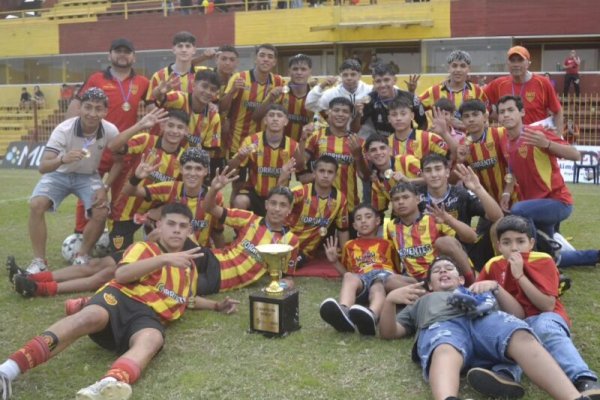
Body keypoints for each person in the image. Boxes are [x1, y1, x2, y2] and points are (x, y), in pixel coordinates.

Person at [0, 203, 240, 400]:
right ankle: (7, 371)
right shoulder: (144, 248)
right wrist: (164, 259)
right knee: (87, 317)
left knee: (153, 339)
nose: (176, 230)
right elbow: (122, 275)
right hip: (120, 300)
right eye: (171, 224)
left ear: (190, 232)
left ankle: (108, 384)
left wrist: (217, 306)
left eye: (183, 226)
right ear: (159, 226)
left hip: (146, 318)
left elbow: (187, 299)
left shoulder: (188, 270)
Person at [378, 256, 600, 400]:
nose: (444, 271)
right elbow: (390, 332)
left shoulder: (480, 290)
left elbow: (518, 315)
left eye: (449, 268)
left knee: (520, 333)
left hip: (485, 322)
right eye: (437, 271)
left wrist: (496, 288)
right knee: (444, 348)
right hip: (444, 326)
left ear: (461, 280)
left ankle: (573, 397)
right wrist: (390, 301)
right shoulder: (422, 300)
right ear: (429, 284)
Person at [26, 90, 166, 273]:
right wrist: (62, 159)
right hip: (59, 173)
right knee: (36, 204)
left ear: (105, 112)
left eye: (98, 109)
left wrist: (105, 187)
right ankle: (39, 261)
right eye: (88, 107)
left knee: (101, 211)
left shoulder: (109, 129)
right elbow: (43, 167)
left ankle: (81, 255)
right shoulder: (63, 129)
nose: (92, 113)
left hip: (88, 176)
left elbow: (118, 162)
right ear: (80, 108)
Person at [474, 215, 600, 397]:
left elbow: (547, 305)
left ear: (531, 243)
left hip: (545, 316)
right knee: (509, 335)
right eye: (507, 243)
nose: (514, 248)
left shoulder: (542, 260)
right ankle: (505, 376)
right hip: (513, 321)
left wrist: (520, 276)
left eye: (520, 241)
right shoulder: (493, 265)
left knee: (543, 328)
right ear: (499, 246)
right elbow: (478, 293)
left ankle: (584, 379)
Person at [66, 38, 150, 236]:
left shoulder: (143, 82)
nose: (122, 55)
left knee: (121, 195)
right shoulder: (96, 79)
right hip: (96, 147)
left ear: (134, 57)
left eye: (126, 52)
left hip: (125, 150)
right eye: (118, 51)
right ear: (109, 55)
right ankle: (80, 233)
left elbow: (155, 106)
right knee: (88, 192)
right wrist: (72, 134)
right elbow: (77, 103)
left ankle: (115, 235)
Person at [203, 168, 300, 291]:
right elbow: (209, 208)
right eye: (273, 203)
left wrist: (277, 287)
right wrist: (214, 189)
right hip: (212, 257)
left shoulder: (291, 241)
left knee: (187, 285)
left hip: (222, 278)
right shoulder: (248, 218)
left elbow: (288, 278)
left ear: (289, 210)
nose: (276, 209)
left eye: (283, 205)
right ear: (266, 205)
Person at [319, 204, 410, 335]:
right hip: (362, 278)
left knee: (377, 287)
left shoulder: (388, 244)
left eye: (368, 217)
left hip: (382, 275)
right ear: (354, 225)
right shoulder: (349, 245)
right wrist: (334, 262)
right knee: (349, 277)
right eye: (358, 218)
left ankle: (372, 315)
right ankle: (344, 312)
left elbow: (396, 269)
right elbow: (347, 273)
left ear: (377, 221)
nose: (363, 221)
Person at [497, 95, 580, 237]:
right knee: (551, 251)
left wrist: (547, 144)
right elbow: (512, 171)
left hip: (557, 201)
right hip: (535, 205)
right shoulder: (505, 140)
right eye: (502, 112)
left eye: (510, 110)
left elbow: (575, 155)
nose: (506, 115)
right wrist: (507, 192)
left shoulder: (537, 133)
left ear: (522, 112)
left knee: (518, 212)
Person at [108, 109, 188, 252]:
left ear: (186, 131)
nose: (175, 131)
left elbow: (183, 192)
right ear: (162, 126)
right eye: (171, 125)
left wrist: (162, 210)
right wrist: (139, 125)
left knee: (158, 255)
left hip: (156, 216)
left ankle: (150, 237)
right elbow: (113, 146)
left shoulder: (184, 158)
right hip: (126, 210)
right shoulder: (146, 140)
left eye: (180, 127)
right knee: (119, 259)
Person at [420, 154, 504, 271]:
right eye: (428, 170)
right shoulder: (415, 198)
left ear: (447, 172)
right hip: (428, 253)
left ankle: (501, 270)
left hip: (466, 249)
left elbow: (497, 217)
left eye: (438, 169)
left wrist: (478, 188)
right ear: (422, 174)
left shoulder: (461, 194)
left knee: (500, 225)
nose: (434, 175)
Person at [386, 182, 477, 285]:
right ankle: (427, 294)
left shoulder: (434, 219)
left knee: (444, 242)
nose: (401, 202)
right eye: (396, 199)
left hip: (441, 273)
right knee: (390, 281)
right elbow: (394, 257)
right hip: (415, 280)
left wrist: (449, 220)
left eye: (405, 197)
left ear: (417, 199)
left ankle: (472, 283)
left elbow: (472, 237)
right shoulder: (390, 227)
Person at [300, 97, 369, 223]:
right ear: (328, 112)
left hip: (349, 206)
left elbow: (364, 176)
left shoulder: (357, 141)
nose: (340, 114)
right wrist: (302, 139)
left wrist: (358, 156)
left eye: (345, 111)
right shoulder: (315, 137)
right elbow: (300, 168)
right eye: (336, 110)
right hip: (318, 207)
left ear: (350, 116)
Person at [228, 104, 301, 216]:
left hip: (279, 195)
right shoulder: (251, 141)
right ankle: (241, 233)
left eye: (279, 116)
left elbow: (301, 169)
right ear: (265, 120)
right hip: (254, 194)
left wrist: (304, 140)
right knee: (239, 201)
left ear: (286, 121)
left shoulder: (293, 146)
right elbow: (230, 168)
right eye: (271, 115)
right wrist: (239, 157)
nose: (275, 118)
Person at [220, 43, 284, 157]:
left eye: (270, 57)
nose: (265, 59)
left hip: (262, 145)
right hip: (237, 142)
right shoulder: (240, 78)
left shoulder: (278, 81)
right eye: (262, 55)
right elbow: (222, 108)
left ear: (274, 62)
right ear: (255, 59)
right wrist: (232, 91)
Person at [283, 155, 350, 265]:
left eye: (330, 172)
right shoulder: (301, 191)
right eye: (321, 171)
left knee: (287, 265)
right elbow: (278, 204)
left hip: (305, 251)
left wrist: (346, 256)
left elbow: (343, 229)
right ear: (314, 173)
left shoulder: (340, 199)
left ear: (335, 176)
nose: (325, 175)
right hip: (285, 241)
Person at [156, 69, 223, 179]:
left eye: (213, 89)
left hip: (187, 167)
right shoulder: (180, 98)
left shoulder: (214, 116)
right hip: (161, 156)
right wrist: (159, 91)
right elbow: (160, 97)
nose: (208, 92)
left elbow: (209, 151)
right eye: (204, 86)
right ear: (194, 85)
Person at [485, 46, 563, 135]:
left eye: (520, 60)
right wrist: (494, 114)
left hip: (536, 138)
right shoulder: (498, 84)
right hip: (511, 138)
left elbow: (558, 111)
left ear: (528, 63)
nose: (516, 64)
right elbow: (479, 100)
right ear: (508, 64)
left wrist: (558, 136)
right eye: (512, 60)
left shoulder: (542, 83)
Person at [456, 98, 519, 209]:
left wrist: (507, 193)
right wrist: (460, 161)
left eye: (475, 115)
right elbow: (453, 180)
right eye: (466, 116)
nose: (471, 119)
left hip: (514, 198)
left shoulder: (500, 134)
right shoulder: (463, 145)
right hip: (489, 206)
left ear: (485, 117)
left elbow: (512, 167)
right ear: (461, 120)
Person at [419, 50, 488, 132]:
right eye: (454, 66)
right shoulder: (434, 91)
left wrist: (464, 125)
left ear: (469, 69)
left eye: (463, 66)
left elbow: (485, 119)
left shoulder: (477, 91)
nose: (458, 70)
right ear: (448, 68)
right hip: (441, 141)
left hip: (470, 141)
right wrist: (426, 127)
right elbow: (415, 108)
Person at [253, 53, 315, 143]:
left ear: (310, 72)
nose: (299, 72)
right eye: (295, 69)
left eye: (303, 69)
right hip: (277, 148)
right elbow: (256, 117)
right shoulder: (279, 92)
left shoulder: (315, 97)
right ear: (289, 71)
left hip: (304, 150)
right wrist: (270, 99)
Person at [358, 63, 428, 137]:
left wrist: (415, 140)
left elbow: (423, 123)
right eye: (378, 81)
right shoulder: (368, 101)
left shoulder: (410, 98)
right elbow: (359, 128)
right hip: (381, 145)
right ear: (373, 83)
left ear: (394, 80)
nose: (382, 85)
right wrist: (357, 114)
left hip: (406, 143)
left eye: (386, 80)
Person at [363, 133, 422, 216]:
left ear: (389, 150)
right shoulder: (376, 182)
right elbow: (379, 211)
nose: (379, 152)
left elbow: (431, 179)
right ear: (368, 156)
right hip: (404, 216)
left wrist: (408, 181)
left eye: (382, 148)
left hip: (428, 207)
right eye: (373, 150)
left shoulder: (406, 161)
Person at [305, 58, 372, 114]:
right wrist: (321, 86)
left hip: (365, 129)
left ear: (360, 76)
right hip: (339, 129)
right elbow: (310, 105)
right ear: (341, 76)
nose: (349, 78)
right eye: (345, 75)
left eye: (353, 74)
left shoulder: (369, 90)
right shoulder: (332, 93)